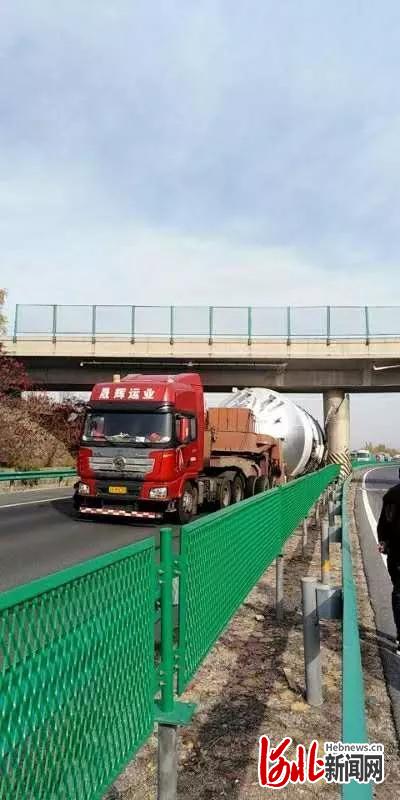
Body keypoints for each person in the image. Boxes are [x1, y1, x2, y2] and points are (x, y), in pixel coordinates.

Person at [377, 482, 400, 654]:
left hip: (396, 554)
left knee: (399, 592)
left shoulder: (392, 495)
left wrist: (384, 542)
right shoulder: (392, 496)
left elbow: (383, 524)